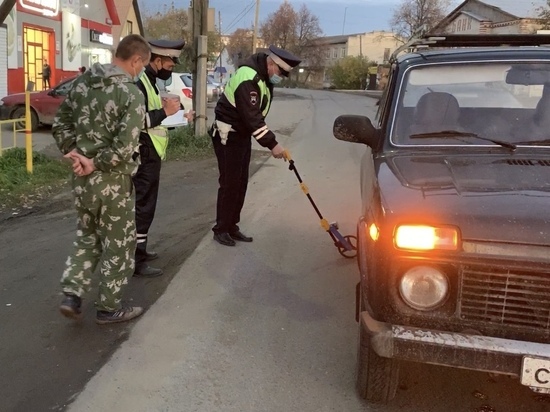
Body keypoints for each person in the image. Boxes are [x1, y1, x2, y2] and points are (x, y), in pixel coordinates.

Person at [52, 34, 151, 324]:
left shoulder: (82, 82)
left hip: (82, 179)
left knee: (87, 235)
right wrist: (96, 163)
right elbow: (124, 147)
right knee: (118, 242)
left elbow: (61, 123)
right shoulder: (131, 94)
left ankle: (72, 293)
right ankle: (109, 307)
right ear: (135, 60)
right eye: (143, 65)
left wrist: (75, 155)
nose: (141, 70)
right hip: (113, 182)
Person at [210, 45, 301, 246]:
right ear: (271, 63)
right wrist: (273, 144)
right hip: (228, 136)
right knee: (230, 183)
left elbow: (254, 117)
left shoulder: (262, 76)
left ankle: (232, 226)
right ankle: (221, 229)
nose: (281, 77)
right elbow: (252, 117)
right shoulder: (247, 77)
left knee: (240, 182)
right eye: (280, 72)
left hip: (240, 136)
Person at [132, 39, 188, 277]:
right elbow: (138, 121)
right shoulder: (140, 82)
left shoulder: (149, 80)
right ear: (157, 60)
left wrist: (180, 116)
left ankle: (140, 251)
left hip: (150, 151)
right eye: (170, 63)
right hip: (143, 152)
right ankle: (136, 258)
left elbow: (154, 117)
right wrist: (166, 112)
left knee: (147, 206)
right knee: (143, 207)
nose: (171, 68)